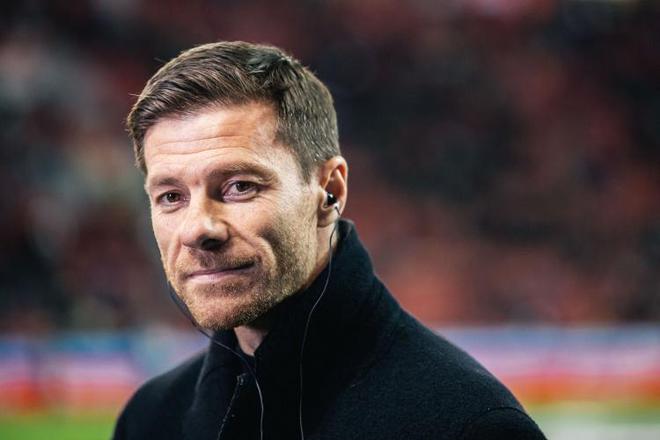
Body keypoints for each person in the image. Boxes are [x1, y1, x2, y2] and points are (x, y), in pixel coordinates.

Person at [113, 41, 546, 440]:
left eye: (240, 187)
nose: (198, 229)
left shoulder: (470, 426)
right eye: (171, 197)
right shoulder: (149, 420)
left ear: (330, 190)